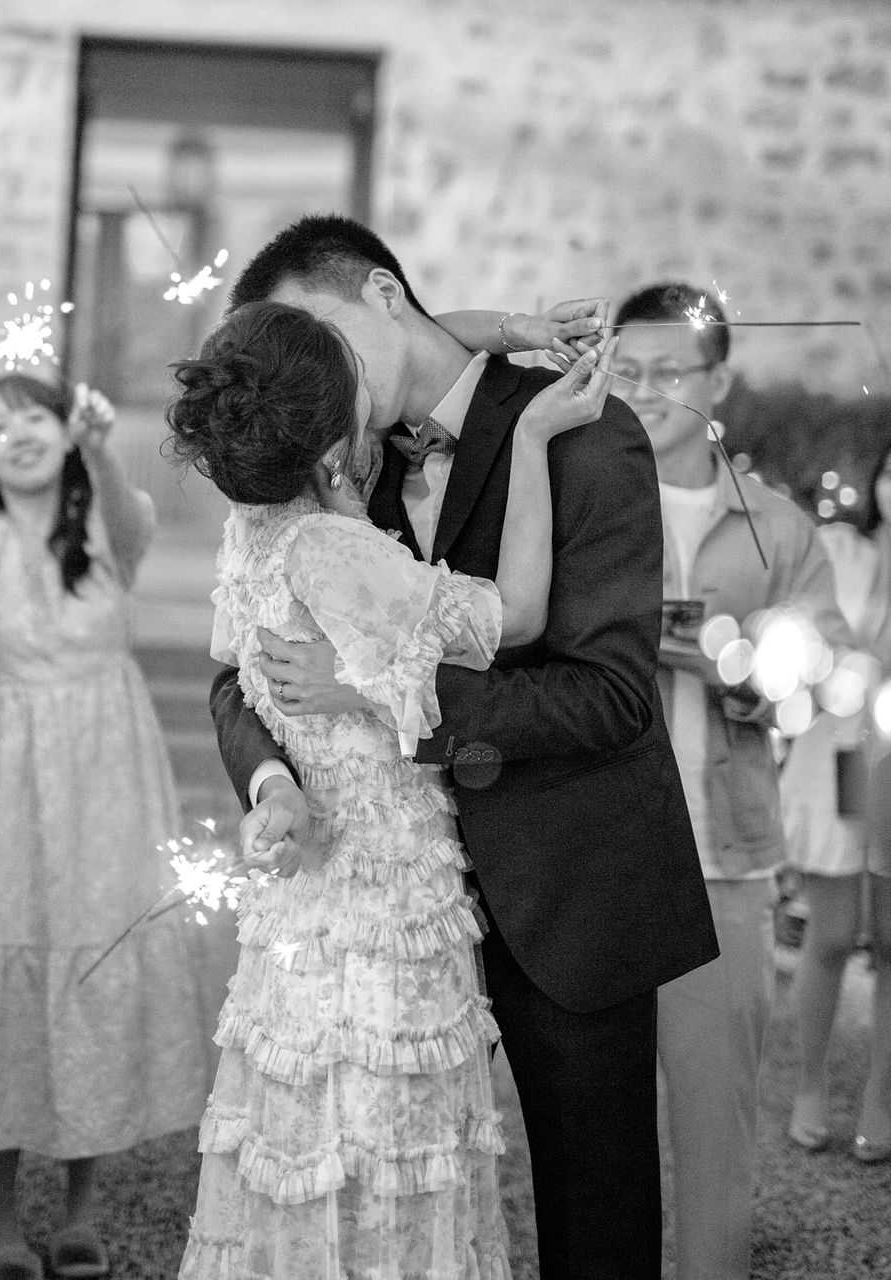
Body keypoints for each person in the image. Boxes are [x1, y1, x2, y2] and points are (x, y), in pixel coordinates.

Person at [207, 215, 719, 1280]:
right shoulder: (321, 455)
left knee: (594, 1213)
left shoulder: (580, 430)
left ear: (386, 296)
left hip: (561, 885)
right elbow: (237, 672)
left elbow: (612, 695)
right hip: (376, 914)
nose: (316, 373)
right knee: (383, 1202)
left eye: (323, 335)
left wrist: (383, 697)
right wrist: (269, 773)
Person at [165, 297, 616, 1278]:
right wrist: (532, 433)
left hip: (304, 908)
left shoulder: (252, 527)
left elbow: (253, 669)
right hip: (386, 904)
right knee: (384, 1148)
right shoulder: (340, 550)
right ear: (331, 435)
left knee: (306, 1140)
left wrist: (493, 331)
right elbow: (521, 613)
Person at [0, 374, 216, 1280]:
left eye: (31, 414)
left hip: (106, 757)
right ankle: (2, 1219)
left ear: (63, 427)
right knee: (6, 941)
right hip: (6, 758)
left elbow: (130, 519)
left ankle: (81, 1209)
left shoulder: (111, 528)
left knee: (94, 948)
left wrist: (99, 446)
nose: (16, 432)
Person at [609, 282, 853, 1280]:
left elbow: (829, 671)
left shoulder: (774, 526)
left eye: (666, 371)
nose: (643, 389)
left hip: (724, 857)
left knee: (716, 1120)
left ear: (717, 378)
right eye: (624, 370)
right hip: (595, 852)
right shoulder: (573, 492)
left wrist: (748, 669)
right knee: (596, 1132)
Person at [781, 441, 891, 1162]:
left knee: (890, 942)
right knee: (830, 933)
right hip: (843, 753)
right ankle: (809, 1083)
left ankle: (881, 1096)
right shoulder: (841, 551)